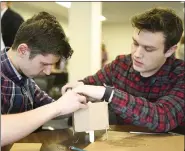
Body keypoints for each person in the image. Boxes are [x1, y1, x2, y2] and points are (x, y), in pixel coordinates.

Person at [62, 7, 185, 133]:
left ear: (170, 50)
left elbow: (162, 118)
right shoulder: (120, 65)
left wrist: (108, 94)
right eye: (135, 43)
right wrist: (76, 88)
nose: (137, 54)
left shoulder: (181, 74)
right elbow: (90, 83)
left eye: (148, 49)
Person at [1, 12, 88, 146]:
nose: (48, 72)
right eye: (44, 64)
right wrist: (57, 107)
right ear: (23, 50)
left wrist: (76, 100)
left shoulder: (26, 76)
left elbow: (51, 109)